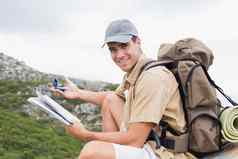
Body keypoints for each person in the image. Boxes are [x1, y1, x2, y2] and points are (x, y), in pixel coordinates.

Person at [50, 19, 196, 159]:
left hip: (166, 153)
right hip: (151, 142)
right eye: (113, 49)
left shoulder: (153, 77)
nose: (119, 55)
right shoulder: (137, 72)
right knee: (110, 100)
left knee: (92, 151)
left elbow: (135, 140)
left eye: (124, 46)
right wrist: (78, 93)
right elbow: (109, 97)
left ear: (137, 42)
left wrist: (86, 135)